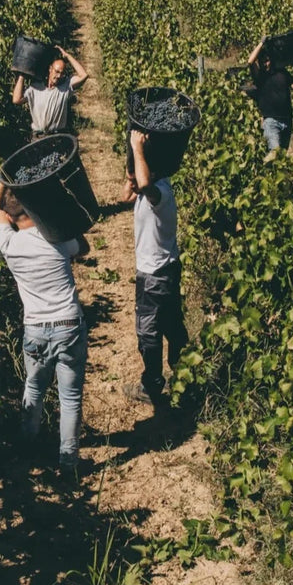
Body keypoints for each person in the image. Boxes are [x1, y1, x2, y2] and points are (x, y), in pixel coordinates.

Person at [0, 181, 89, 475]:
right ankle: (68, 463)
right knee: (69, 398)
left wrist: (4, 179)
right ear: (35, 207)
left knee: (33, 387)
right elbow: (83, 246)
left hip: (35, 328)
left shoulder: (9, 243)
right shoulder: (56, 237)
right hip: (69, 323)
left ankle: (27, 447)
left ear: (10, 217)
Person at [121, 130, 188, 405]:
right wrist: (131, 171)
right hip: (167, 269)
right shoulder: (153, 187)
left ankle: (152, 386)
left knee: (148, 333)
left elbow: (145, 183)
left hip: (154, 275)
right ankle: (184, 375)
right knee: (172, 324)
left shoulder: (159, 193)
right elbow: (126, 193)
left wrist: (137, 147)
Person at [12, 46, 88, 140]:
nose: (58, 76)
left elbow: (84, 75)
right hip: (38, 138)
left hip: (57, 137)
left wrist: (67, 56)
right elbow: (16, 100)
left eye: (62, 73)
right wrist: (22, 74)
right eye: (56, 72)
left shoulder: (65, 87)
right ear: (50, 69)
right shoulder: (35, 88)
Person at [247, 36, 293, 151]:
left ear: (271, 60)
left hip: (287, 120)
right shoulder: (260, 76)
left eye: (266, 60)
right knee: (275, 156)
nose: (265, 64)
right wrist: (261, 43)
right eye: (262, 61)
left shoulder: (282, 72)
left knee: (282, 156)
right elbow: (250, 61)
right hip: (271, 121)